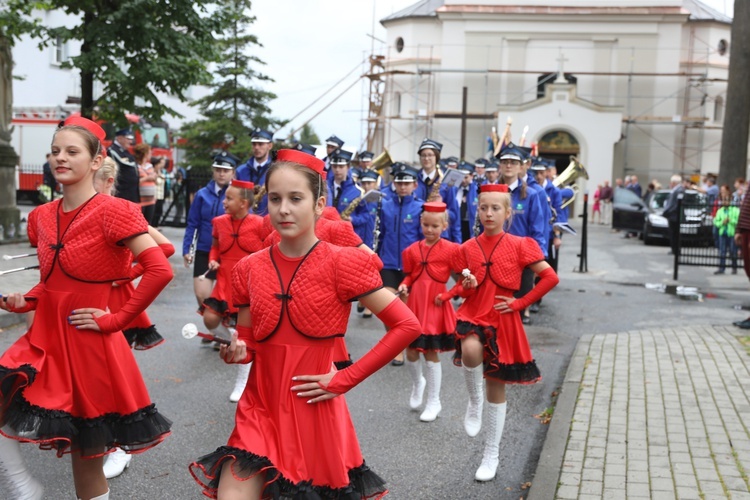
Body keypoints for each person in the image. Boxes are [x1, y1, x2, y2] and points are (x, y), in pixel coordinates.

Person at [188, 148, 420, 498]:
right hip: (259, 409)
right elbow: (248, 343)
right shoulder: (249, 268)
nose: (283, 209)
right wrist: (236, 350)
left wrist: (345, 378)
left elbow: (407, 326)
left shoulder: (344, 263)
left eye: (296, 198)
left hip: (314, 411)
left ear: (318, 203)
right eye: (276, 198)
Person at [0, 116, 173, 500]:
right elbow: (50, 282)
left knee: (86, 456)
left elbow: (160, 268)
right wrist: (21, 301)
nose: (60, 158)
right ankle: (21, 485)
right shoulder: (42, 216)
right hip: (45, 339)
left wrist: (117, 319)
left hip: (90, 343)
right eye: (55, 151)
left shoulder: (115, 211)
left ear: (96, 161)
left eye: (72, 151)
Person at [452, 183, 559, 482]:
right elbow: (460, 285)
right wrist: (465, 287)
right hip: (474, 313)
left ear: (508, 213)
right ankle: (474, 402)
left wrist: (520, 303)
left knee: (496, 385)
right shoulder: (467, 248)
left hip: (503, 319)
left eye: (495, 208)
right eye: (483, 207)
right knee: (471, 352)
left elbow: (550, 277)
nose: (488, 213)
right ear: (477, 210)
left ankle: (491, 453)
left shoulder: (520, 244)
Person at [93, 157, 175, 480]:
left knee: (115, 377)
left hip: (118, 304)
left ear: (108, 182)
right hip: (88, 302)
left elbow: (165, 248)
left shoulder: (123, 210)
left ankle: (120, 447)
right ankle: (97, 437)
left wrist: (127, 273)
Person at [204, 179, 270, 401]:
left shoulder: (260, 223)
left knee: (243, 335)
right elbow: (214, 247)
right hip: (224, 281)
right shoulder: (219, 222)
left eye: (229, 198)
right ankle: (230, 342)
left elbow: (268, 251)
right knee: (209, 320)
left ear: (243, 203)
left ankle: (242, 381)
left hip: (249, 285)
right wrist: (213, 260)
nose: (224, 202)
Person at [397, 201, 459, 422]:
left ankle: (434, 401)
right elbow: (411, 275)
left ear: (444, 226)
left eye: (435, 226)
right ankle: (417, 383)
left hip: (435, 305)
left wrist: (448, 295)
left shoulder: (452, 250)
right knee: (411, 349)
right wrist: (404, 284)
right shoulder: (412, 251)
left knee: (430, 351)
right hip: (415, 303)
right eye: (426, 225)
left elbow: (462, 281)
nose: (430, 230)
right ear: (421, 223)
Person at [377, 163, 425, 366]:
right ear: (394, 184)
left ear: (415, 185)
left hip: (410, 266)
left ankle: (404, 346)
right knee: (389, 309)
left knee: (404, 311)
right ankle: (396, 348)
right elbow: (379, 234)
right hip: (387, 262)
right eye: (399, 182)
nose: (403, 187)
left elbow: (424, 239)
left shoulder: (420, 207)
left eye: (407, 183)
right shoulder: (384, 204)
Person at [181, 152, 235, 316]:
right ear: (213, 170)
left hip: (228, 251)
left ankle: (223, 332)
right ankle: (215, 328)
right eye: (218, 169)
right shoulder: (202, 194)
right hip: (204, 248)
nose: (221, 173)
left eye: (225, 170)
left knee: (228, 296)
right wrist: (187, 250)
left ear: (232, 172)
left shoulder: (236, 195)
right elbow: (192, 224)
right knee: (201, 294)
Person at [236, 128, 274, 216]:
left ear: (270, 146)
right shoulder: (240, 171)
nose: (256, 147)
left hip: (268, 222)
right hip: (244, 221)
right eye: (254, 144)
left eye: (260, 144)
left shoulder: (275, 171)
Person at [107, 128, 139, 204]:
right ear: (119, 138)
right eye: (128, 139)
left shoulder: (125, 151)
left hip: (130, 191)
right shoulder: (112, 151)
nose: (130, 141)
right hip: (121, 191)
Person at [713, 184, 739, 275]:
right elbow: (716, 222)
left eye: (727, 200)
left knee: (733, 251)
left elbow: (737, 221)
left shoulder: (735, 210)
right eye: (724, 200)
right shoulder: (720, 211)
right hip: (723, 233)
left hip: (731, 233)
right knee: (722, 251)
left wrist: (730, 220)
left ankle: (734, 267)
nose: (725, 202)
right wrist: (722, 223)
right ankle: (721, 268)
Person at [662, 174, 691, 256]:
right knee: (672, 233)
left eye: (671, 182)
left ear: (674, 182)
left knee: (675, 234)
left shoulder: (679, 190)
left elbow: (676, 204)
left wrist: (669, 211)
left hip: (675, 216)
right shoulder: (676, 189)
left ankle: (676, 249)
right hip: (673, 215)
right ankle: (674, 249)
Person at [134, 143, 158, 223]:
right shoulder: (136, 166)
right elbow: (135, 181)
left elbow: (155, 180)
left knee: (149, 223)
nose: (151, 154)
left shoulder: (150, 166)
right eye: (149, 152)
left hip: (151, 199)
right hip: (141, 200)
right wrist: (147, 178)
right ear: (145, 153)